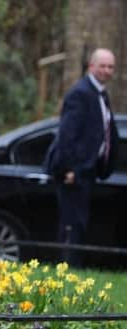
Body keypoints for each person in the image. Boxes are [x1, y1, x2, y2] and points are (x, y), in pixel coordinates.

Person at [45, 48, 119, 267]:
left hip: (88, 171)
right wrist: (68, 169)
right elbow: (68, 135)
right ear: (91, 67)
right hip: (73, 173)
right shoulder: (81, 93)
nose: (107, 71)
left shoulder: (100, 94)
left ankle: (73, 266)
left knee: (80, 223)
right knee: (71, 224)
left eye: (110, 67)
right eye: (103, 66)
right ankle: (67, 269)